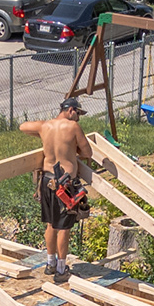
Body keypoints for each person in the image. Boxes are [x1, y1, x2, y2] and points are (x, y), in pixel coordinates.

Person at [21, 97, 94, 284]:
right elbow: (87, 153)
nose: (78, 118)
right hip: (65, 184)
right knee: (64, 228)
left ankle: (50, 263)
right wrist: (72, 148)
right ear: (70, 110)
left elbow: (23, 126)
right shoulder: (73, 127)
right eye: (78, 113)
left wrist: (45, 134)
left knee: (50, 224)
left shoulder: (45, 126)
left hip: (47, 181)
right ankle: (61, 269)